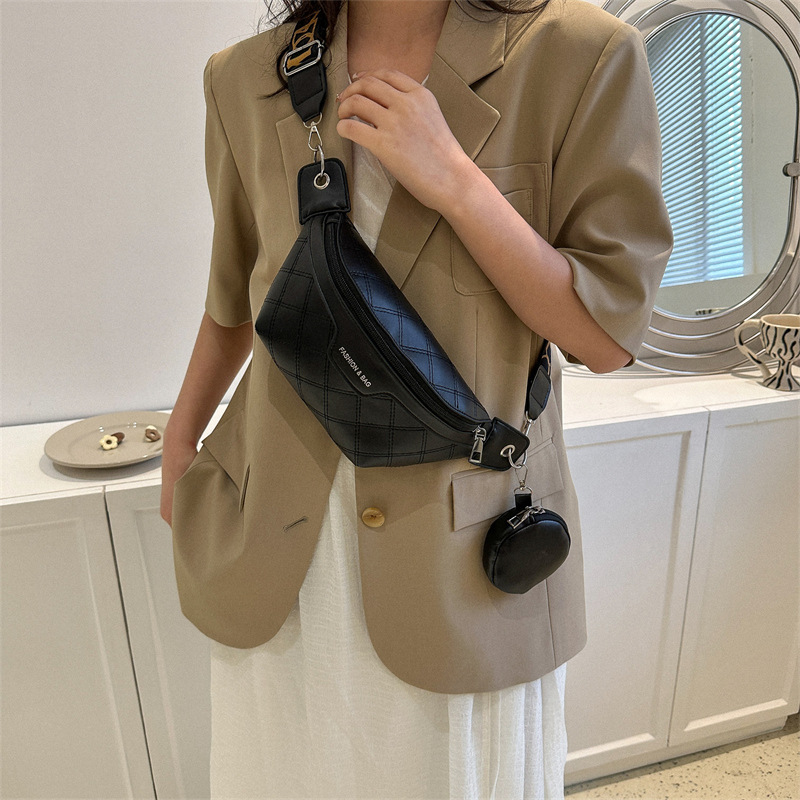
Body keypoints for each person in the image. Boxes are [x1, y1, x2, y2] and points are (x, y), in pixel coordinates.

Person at [161, 0, 673, 797]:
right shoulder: (244, 79)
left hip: (458, 554)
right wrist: (179, 442)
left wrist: (458, 183)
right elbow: (236, 298)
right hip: (282, 542)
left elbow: (605, 337)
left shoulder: (581, 56)